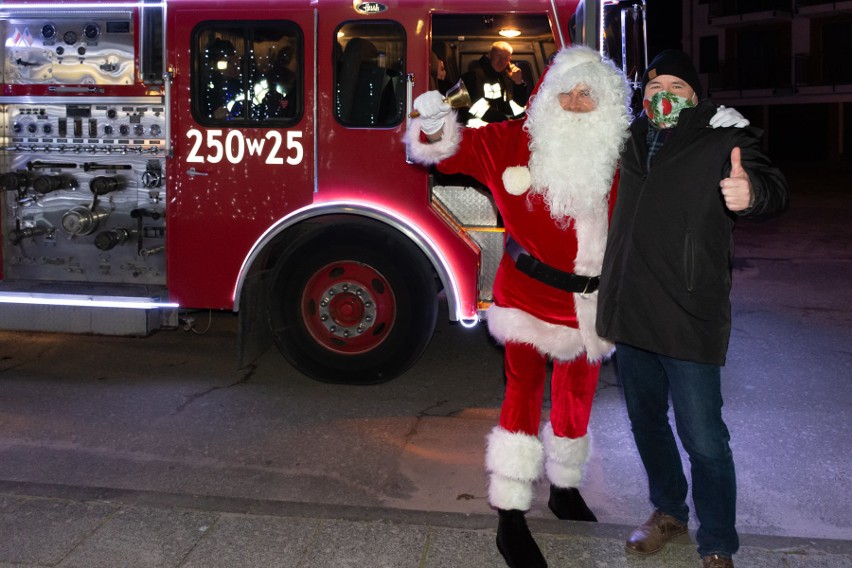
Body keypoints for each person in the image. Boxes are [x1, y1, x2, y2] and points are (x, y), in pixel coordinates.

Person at [406, 45, 632, 568]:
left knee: (577, 395)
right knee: (523, 395)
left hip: (589, 304)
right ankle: (510, 512)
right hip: (528, 298)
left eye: (588, 94)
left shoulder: (623, 152)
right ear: (546, 95)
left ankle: (565, 486)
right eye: (567, 92)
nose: (576, 103)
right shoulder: (512, 140)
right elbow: (443, 150)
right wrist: (434, 121)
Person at [596, 50, 789, 568]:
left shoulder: (723, 135)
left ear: (696, 97)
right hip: (630, 309)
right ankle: (668, 512)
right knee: (646, 423)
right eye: (655, 84)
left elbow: (774, 188)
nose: (664, 94)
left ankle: (719, 541)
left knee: (704, 437)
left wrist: (752, 195)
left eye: (677, 86)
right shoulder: (629, 137)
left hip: (688, 312)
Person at [459, 41, 530, 127]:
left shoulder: (506, 79)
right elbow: (476, 107)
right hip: (478, 133)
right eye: (498, 56)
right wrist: (505, 121)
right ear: (489, 55)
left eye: (505, 58)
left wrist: (518, 83)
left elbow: (518, 107)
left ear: (509, 61)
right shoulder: (472, 76)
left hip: (499, 130)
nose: (501, 61)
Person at [202, 39, 243, 121]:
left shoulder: (244, 83)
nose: (235, 65)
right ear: (214, 64)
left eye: (236, 60)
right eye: (228, 61)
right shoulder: (209, 89)